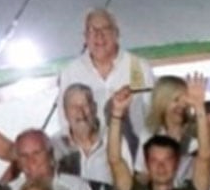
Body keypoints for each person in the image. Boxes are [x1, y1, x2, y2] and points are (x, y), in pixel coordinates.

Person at [107, 76, 210, 190]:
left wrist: (199, 108)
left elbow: (205, 158)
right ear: (146, 164)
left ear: (177, 163)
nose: (161, 167)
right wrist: (116, 114)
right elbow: (115, 161)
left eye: (167, 160)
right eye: (154, 161)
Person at [57, 7, 153, 135]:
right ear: (85, 37)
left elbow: (153, 114)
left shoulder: (140, 67)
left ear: (117, 33)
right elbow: (64, 121)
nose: (99, 35)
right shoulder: (71, 72)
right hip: (89, 152)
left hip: (133, 150)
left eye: (105, 29)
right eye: (92, 30)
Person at [4, 129, 94, 190]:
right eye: (24, 156)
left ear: (50, 154)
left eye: (37, 153)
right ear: (18, 161)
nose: (31, 161)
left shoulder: (77, 188)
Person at [52, 83, 112, 188]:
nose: (80, 112)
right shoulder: (54, 146)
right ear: (65, 112)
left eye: (85, 105)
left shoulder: (113, 138)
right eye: (74, 107)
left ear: (95, 108)